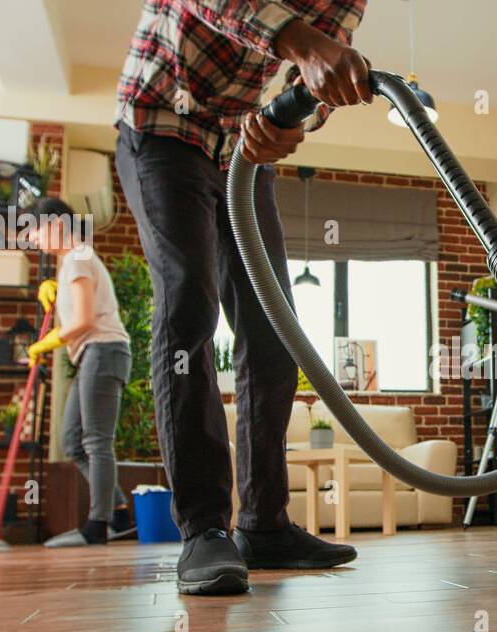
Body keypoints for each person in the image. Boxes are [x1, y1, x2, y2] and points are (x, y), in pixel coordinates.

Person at [115, 0, 371, 594]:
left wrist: (295, 117)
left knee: (274, 327)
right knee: (189, 309)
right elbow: (302, 43)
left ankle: (263, 524)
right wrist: (306, 48)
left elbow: (316, 73)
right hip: (162, 123)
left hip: (241, 150)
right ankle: (205, 530)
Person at [27, 197, 135, 547]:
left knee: (95, 442)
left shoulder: (78, 258)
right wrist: (56, 292)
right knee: (72, 441)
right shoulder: (76, 261)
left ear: (57, 225)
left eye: (36, 230)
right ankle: (118, 510)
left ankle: (97, 526)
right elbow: (82, 305)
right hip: (94, 354)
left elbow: (85, 320)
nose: (33, 239)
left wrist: (45, 343)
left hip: (102, 350)